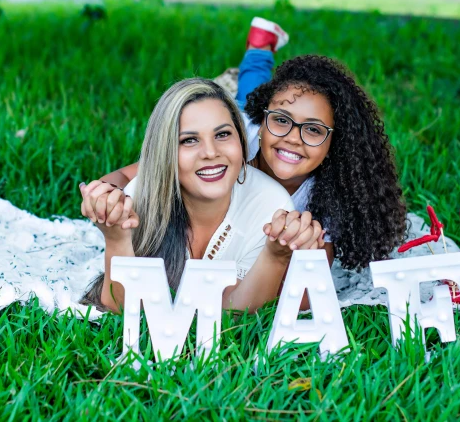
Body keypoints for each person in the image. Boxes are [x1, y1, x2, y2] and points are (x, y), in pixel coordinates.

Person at [84, 18, 406, 276]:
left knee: (259, 90)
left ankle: (260, 45)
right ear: (265, 120)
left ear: (335, 143)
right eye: (280, 121)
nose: (293, 137)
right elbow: (132, 175)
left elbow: (310, 284)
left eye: (313, 130)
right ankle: (259, 46)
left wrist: (297, 249)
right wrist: (105, 196)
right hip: (245, 118)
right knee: (251, 87)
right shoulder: (237, 138)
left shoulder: (331, 198)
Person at [79, 78, 310, 313]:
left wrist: (275, 256)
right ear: (165, 153)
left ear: (241, 141)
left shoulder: (270, 205)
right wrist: (116, 239)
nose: (210, 152)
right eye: (189, 140)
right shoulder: (138, 198)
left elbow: (237, 315)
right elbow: (121, 309)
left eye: (222, 135)